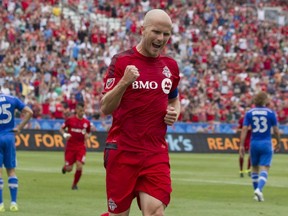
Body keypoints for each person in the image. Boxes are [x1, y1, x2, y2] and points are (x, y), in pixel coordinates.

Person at [100, 9, 181, 216]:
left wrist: (175, 112)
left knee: (155, 212)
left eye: (166, 34)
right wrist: (124, 83)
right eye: (156, 32)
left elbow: (174, 98)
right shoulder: (121, 61)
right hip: (123, 150)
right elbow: (105, 107)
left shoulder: (170, 66)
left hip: (155, 152)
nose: (161, 39)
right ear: (142, 30)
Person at [239, 91, 280, 202]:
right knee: (265, 168)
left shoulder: (249, 113)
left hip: (254, 143)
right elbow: (276, 130)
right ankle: (259, 189)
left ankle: (256, 193)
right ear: (265, 100)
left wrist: (241, 145)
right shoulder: (270, 113)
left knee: (254, 168)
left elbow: (244, 129)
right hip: (266, 143)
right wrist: (278, 142)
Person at [0, 87, 33, 212]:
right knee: (11, 171)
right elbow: (29, 112)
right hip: (9, 137)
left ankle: (1, 205)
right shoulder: (12, 99)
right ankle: (13, 203)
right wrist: (19, 127)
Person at [59, 102, 91, 190]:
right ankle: (65, 167)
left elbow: (89, 132)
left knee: (79, 165)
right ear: (76, 110)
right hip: (70, 147)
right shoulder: (70, 120)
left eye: (83, 111)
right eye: (80, 111)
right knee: (69, 169)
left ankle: (74, 185)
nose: (82, 112)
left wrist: (88, 135)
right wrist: (65, 134)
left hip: (81, 147)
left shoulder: (86, 122)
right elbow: (61, 129)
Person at [238, 108, 251, 178]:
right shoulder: (242, 120)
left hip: (250, 138)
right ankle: (241, 170)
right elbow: (238, 129)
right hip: (243, 138)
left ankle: (248, 170)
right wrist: (243, 129)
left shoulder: (253, 120)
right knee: (241, 154)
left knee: (251, 154)